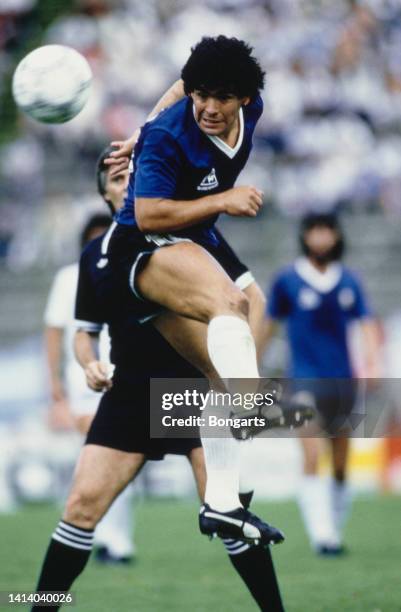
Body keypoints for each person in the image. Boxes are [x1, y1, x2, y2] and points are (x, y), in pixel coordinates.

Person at [31, 146, 285, 612]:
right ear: (105, 195)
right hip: (129, 392)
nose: (126, 181)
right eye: (115, 178)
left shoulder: (193, 238)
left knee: (229, 513)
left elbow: (254, 301)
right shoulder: (96, 256)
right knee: (80, 509)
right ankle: (37, 606)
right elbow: (83, 334)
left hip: (194, 391)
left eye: (133, 174)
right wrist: (88, 363)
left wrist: (239, 379)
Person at [108, 35, 283, 544]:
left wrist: (138, 132)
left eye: (220, 97)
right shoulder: (169, 135)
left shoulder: (252, 108)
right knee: (233, 303)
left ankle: (222, 505)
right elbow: (148, 214)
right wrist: (223, 199)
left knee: (217, 370)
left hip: (188, 239)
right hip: (138, 249)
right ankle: (253, 402)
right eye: (200, 95)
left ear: (245, 99)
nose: (207, 107)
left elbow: (190, 79)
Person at [261, 212, 380, 555]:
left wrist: (372, 362)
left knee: (341, 463)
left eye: (327, 231)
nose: (321, 238)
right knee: (311, 453)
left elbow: (367, 323)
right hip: (304, 380)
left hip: (343, 381)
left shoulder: (349, 281)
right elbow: (269, 325)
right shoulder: (288, 280)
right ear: (305, 236)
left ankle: (334, 528)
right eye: (314, 231)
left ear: (337, 236)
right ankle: (322, 535)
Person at [44, 208, 137, 562]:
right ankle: (111, 539)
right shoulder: (69, 278)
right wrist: (54, 382)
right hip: (83, 377)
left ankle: (114, 539)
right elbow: (55, 332)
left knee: (110, 458)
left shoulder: (125, 267)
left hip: (121, 374)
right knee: (100, 453)